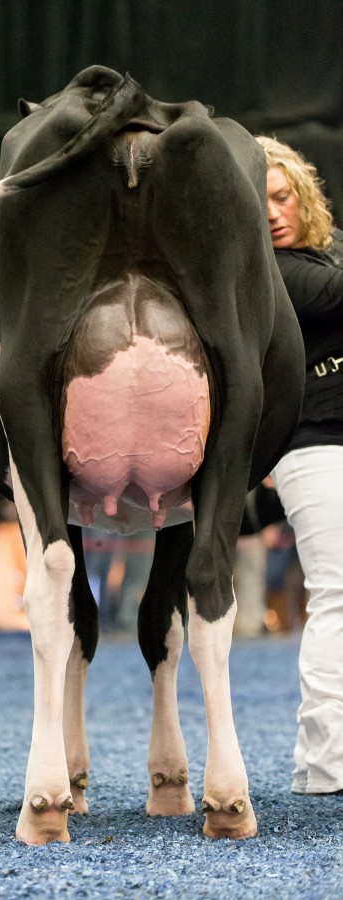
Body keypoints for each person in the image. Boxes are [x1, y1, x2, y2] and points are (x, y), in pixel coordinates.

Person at [256, 135, 343, 796]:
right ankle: (331, 765)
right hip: (313, 441)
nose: (272, 213)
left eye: (282, 197)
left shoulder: (328, 252)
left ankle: (318, 765)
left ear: (303, 194)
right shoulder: (267, 271)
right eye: (257, 206)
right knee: (338, 595)